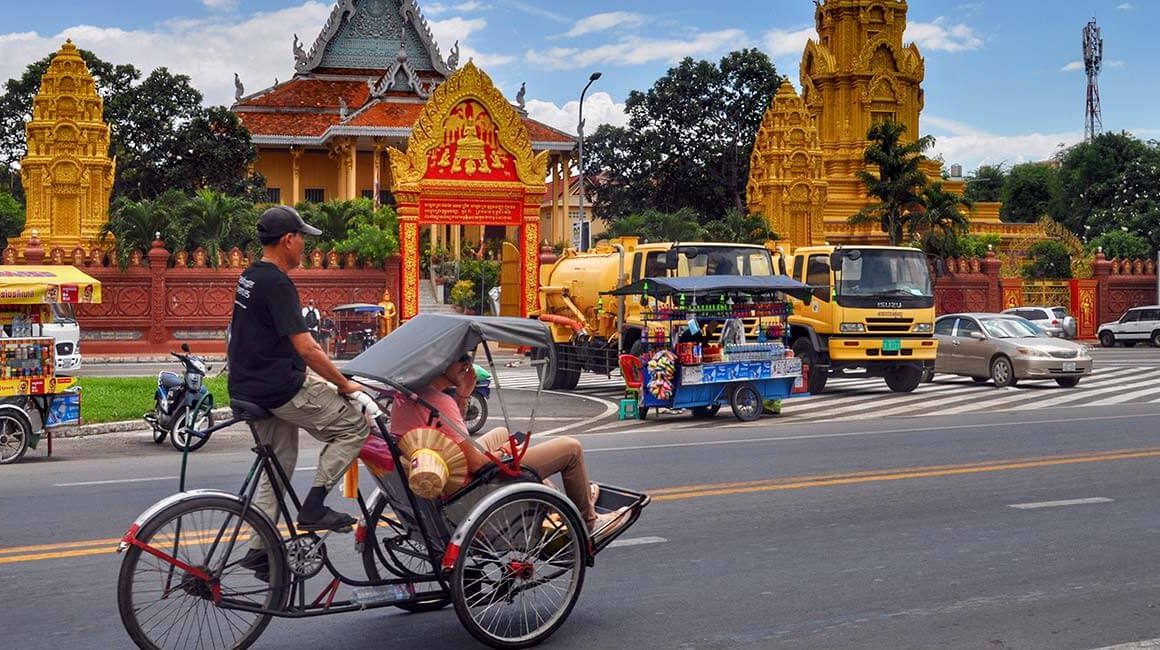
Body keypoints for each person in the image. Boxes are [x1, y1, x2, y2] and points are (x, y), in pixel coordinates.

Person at [228, 206, 370, 578]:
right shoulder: (277, 283)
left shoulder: (250, 277)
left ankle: (259, 552)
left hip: (249, 386)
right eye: (302, 238)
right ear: (288, 239)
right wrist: (344, 383)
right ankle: (315, 506)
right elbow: (307, 347)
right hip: (278, 389)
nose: (305, 245)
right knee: (355, 425)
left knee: (278, 467)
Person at [390, 353, 629, 542]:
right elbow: (476, 463)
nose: (467, 364)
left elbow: (454, 434)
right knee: (571, 448)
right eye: (460, 358)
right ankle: (588, 521)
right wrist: (504, 452)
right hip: (468, 482)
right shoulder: (440, 403)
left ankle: (559, 500)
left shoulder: (405, 397)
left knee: (500, 433)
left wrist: (463, 396)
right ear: (440, 364)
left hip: (442, 466)